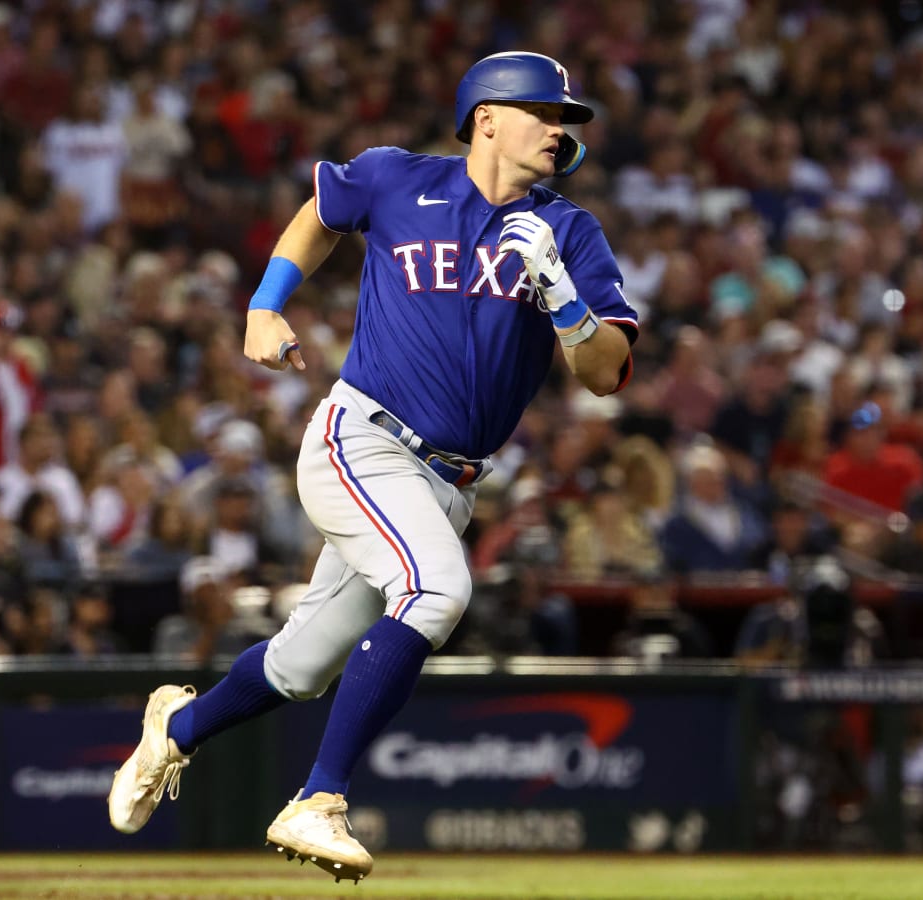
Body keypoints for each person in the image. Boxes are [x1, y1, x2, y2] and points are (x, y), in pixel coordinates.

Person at [107, 51, 637, 882]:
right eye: (544, 111)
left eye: (565, 119)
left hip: (450, 483)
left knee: (300, 666)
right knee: (437, 589)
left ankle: (173, 732)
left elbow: (606, 374)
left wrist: (565, 299)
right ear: (487, 117)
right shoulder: (398, 178)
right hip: (364, 439)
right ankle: (319, 798)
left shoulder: (569, 233)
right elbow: (321, 213)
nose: (557, 129)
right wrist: (265, 303)